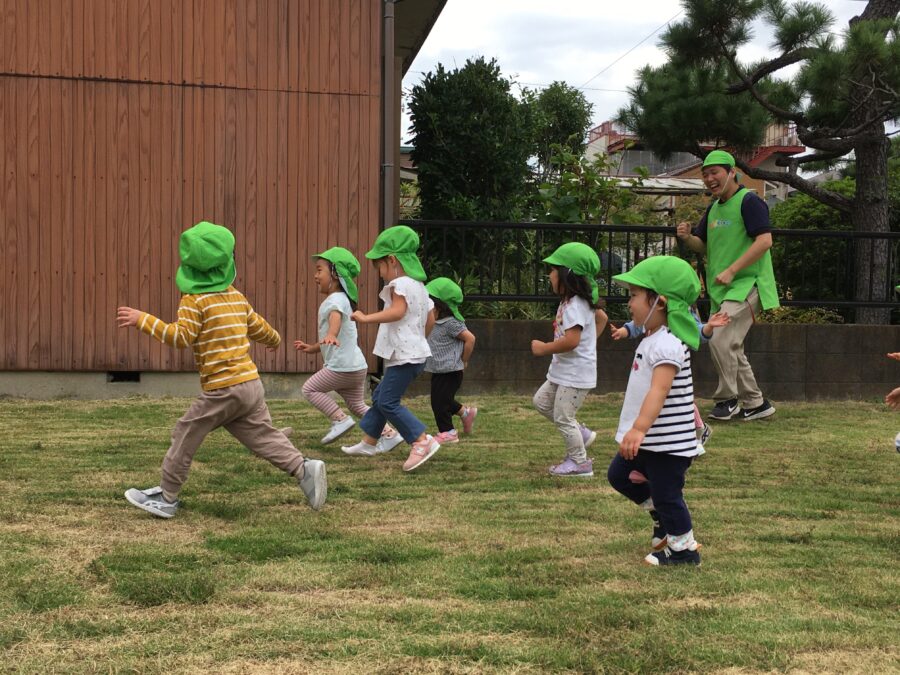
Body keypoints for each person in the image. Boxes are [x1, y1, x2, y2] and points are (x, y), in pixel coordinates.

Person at [116, 221, 327, 518]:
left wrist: (143, 320)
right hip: (250, 384)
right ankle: (304, 469)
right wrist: (275, 340)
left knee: (186, 431)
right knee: (260, 436)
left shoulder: (194, 301)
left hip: (224, 389)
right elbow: (259, 327)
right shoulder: (236, 297)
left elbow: (181, 337)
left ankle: (167, 495)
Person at [606, 255, 704, 566]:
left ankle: (684, 551)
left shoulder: (669, 343)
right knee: (619, 476)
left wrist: (638, 428)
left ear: (659, 302)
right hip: (650, 440)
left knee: (668, 495)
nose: (629, 303)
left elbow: (659, 390)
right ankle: (662, 518)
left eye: (634, 295)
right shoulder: (652, 338)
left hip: (667, 445)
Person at [676, 149, 778, 422]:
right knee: (730, 345)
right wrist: (687, 238)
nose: (709, 179)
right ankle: (756, 403)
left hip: (749, 284)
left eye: (715, 173)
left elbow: (765, 241)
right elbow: (702, 245)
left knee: (719, 337)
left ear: (732, 172)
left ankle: (727, 399)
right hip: (723, 289)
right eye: (705, 174)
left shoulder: (750, 201)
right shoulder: (714, 208)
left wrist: (733, 270)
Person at [340, 225, 440, 472]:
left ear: (392, 260)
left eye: (380, 266)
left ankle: (421, 440)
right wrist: (418, 339)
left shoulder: (400, 284)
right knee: (380, 397)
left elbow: (397, 312)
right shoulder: (420, 286)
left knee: (387, 401)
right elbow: (430, 318)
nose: (380, 272)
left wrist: (366, 318)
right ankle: (369, 442)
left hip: (404, 357)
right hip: (415, 355)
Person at [294, 247, 383, 445]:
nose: (315, 276)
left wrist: (332, 334)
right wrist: (313, 347)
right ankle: (389, 433)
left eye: (319, 270)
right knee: (357, 405)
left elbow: (335, 319)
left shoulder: (335, 300)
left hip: (342, 366)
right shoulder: (342, 299)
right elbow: (332, 337)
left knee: (310, 389)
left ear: (335, 274)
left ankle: (339, 419)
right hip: (356, 366)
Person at [531, 242, 605, 478]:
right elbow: (602, 319)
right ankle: (580, 433)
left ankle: (580, 463)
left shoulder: (575, 305)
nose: (549, 275)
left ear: (567, 274)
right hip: (563, 370)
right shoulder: (573, 301)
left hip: (575, 373)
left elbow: (572, 341)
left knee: (564, 417)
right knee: (541, 401)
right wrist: (589, 343)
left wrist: (543, 348)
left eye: (553, 270)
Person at [610, 308, 731, 449]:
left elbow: (698, 332)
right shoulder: (653, 314)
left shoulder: (682, 313)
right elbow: (636, 325)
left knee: (677, 401)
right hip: (655, 367)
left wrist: (709, 327)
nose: (631, 303)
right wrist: (622, 331)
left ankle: (697, 431)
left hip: (674, 368)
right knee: (662, 401)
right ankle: (696, 430)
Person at [424, 277, 478, 444]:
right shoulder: (434, 321)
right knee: (442, 399)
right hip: (439, 370)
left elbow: (470, 339)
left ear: (439, 305)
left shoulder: (451, 323)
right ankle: (466, 413)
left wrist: (464, 360)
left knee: (440, 403)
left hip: (451, 370)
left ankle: (448, 432)